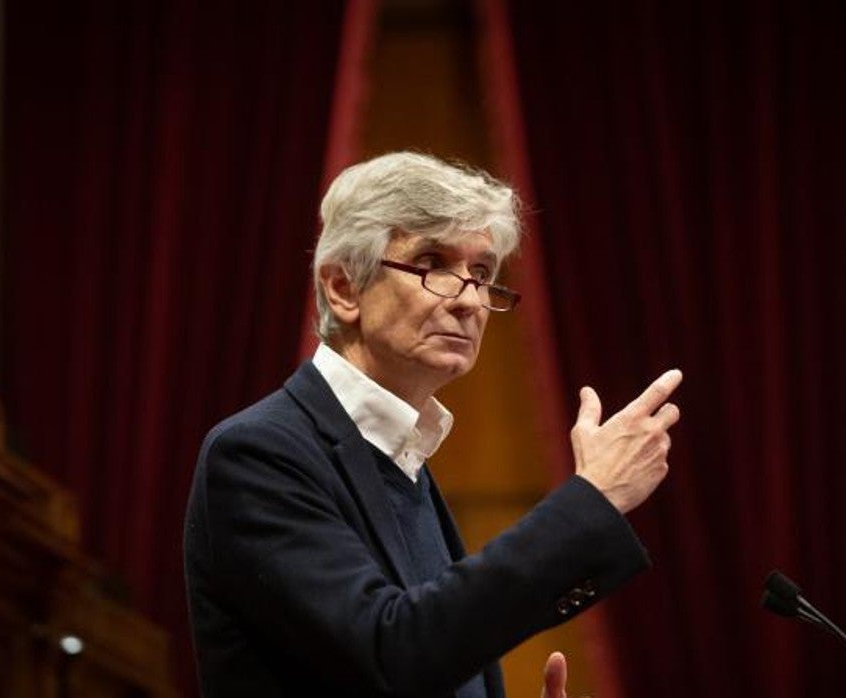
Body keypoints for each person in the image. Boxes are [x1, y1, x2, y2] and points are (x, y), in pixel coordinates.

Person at [184, 152, 682, 697]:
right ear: (343, 288)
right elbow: (390, 653)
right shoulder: (259, 453)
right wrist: (593, 498)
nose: (470, 299)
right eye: (432, 261)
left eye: (482, 272)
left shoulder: (403, 460)